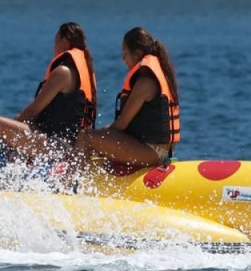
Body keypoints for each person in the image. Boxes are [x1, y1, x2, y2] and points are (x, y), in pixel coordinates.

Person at [0, 22, 97, 175]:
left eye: (55, 41)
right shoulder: (84, 70)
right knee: (18, 126)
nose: (53, 47)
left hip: (56, 146)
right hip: (70, 144)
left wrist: (15, 121)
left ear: (65, 41)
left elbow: (34, 110)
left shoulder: (63, 72)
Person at [77, 26, 180, 167]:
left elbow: (122, 124)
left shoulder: (145, 82)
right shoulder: (155, 75)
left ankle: (74, 179)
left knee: (85, 137)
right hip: (158, 149)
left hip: (153, 152)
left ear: (137, 54)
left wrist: (102, 137)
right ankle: (96, 172)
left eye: (124, 53)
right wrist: (105, 136)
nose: (123, 58)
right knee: (103, 134)